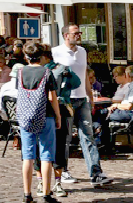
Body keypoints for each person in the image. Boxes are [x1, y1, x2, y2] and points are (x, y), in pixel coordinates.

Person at [52, 24, 111, 188]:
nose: (79, 35)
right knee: (65, 138)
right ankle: (63, 171)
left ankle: (96, 173)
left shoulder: (83, 51)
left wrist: (89, 96)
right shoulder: (55, 52)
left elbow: (84, 74)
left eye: (80, 32)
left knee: (88, 136)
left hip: (82, 100)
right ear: (66, 35)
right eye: (75, 33)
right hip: (65, 101)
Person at [16, 42, 62, 203]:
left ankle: (27, 194)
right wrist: (58, 116)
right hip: (45, 115)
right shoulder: (47, 72)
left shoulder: (20, 72)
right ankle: (46, 194)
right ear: (42, 56)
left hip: (25, 116)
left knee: (27, 156)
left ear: (26, 56)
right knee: (46, 155)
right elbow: (52, 97)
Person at [47, 46, 82, 199]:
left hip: (50, 110)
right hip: (60, 109)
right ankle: (57, 180)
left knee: (49, 147)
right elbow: (76, 83)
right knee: (61, 146)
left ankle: (45, 182)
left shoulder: (45, 70)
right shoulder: (57, 70)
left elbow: (76, 83)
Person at [102, 66, 133, 150]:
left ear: (127, 75)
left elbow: (129, 106)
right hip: (131, 112)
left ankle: (105, 144)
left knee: (103, 115)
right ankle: (105, 143)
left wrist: (116, 106)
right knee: (103, 113)